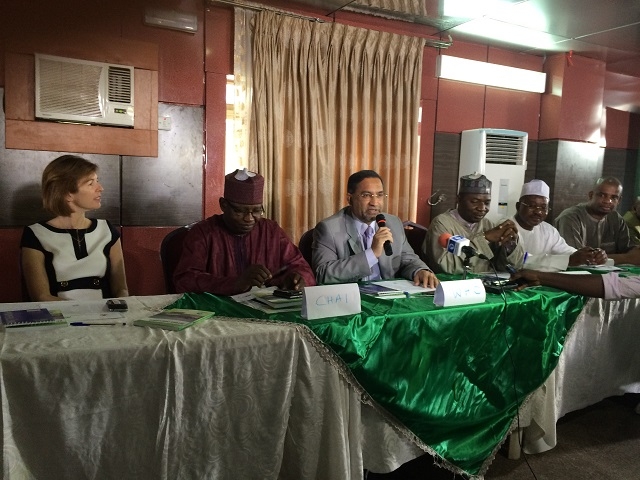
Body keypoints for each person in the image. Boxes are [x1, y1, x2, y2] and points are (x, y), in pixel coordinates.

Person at [173, 168, 315, 296]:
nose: (249, 218)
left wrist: (298, 278)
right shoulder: (204, 233)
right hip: (219, 311)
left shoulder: (271, 231)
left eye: (256, 211)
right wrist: (236, 283)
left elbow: (303, 268)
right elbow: (185, 280)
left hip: (265, 310)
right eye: (240, 211)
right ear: (223, 205)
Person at [20, 155, 129, 301]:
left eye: (98, 181)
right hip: (60, 319)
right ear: (67, 193)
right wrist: (86, 313)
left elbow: (121, 289)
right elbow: (41, 297)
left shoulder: (107, 230)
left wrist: (120, 305)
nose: (100, 188)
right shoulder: (36, 234)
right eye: (91, 183)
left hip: (107, 318)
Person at [312, 170, 438, 287]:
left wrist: (420, 270)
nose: (375, 202)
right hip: (353, 299)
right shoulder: (329, 228)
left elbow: (408, 259)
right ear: (350, 198)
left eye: (379, 195)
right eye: (366, 195)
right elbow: (323, 274)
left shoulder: (393, 223)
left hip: (388, 296)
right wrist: (371, 254)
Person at [423, 173, 525, 274]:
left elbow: (507, 267)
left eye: (487, 203)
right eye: (474, 201)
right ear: (458, 199)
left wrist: (509, 247)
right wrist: (485, 238)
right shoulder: (442, 224)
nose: (482, 208)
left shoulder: (488, 224)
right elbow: (445, 266)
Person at [514, 179, 606, 268]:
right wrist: (568, 260)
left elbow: (567, 252)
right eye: (532, 206)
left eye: (543, 207)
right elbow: (520, 259)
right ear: (518, 206)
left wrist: (591, 255)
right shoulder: (507, 228)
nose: (538, 212)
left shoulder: (549, 231)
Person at [554, 177, 640, 265]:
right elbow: (578, 259)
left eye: (614, 197)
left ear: (619, 200)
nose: (608, 201)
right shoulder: (570, 218)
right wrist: (625, 258)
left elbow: (634, 253)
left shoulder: (616, 219)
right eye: (602, 195)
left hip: (609, 274)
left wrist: (625, 257)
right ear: (591, 195)